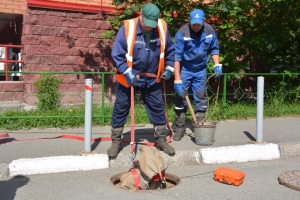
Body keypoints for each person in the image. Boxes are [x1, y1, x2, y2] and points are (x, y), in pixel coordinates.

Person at [108, 3, 176, 158]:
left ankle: (161, 139)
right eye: (147, 24)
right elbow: (117, 54)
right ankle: (116, 141)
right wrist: (127, 72)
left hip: (151, 78)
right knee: (121, 106)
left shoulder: (161, 28)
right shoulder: (127, 28)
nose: (149, 28)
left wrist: (169, 68)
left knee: (157, 106)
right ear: (141, 16)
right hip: (129, 77)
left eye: (153, 24)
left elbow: (171, 51)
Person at [173, 9, 222, 141]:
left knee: (201, 97)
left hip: (201, 69)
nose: (196, 26)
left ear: (203, 21)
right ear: (189, 21)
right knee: (180, 97)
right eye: (193, 24)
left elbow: (214, 48)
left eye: (198, 24)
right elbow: (176, 57)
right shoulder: (182, 33)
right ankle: (179, 128)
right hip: (185, 68)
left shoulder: (209, 31)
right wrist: (177, 79)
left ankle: (199, 126)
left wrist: (217, 64)